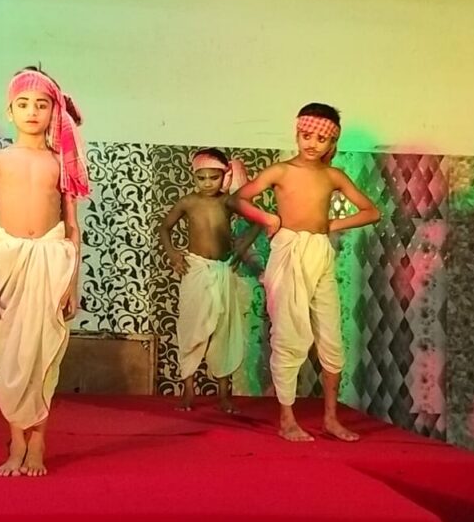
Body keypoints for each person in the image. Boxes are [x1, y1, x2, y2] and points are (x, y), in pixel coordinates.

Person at [230, 103, 380, 442]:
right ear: (297, 134)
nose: (312, 143)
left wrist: (331, 224)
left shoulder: (333, 176)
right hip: (289, 250)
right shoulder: (281, 171)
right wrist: (268, 219)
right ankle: (287, 420)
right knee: (289, 333)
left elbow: (372, 211)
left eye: (321, 138)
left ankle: (331, 418)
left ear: (332, 142)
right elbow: (237, 199)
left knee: (331, 337)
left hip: (319, 252)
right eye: (307, 135)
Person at [0, 67, 89, 476]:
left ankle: (37, 441)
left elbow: (72, 227)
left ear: (53, 111)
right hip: (9, 262)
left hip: (51, 263)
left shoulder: (61, 162)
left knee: (42, 358)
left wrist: (72, 282)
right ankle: (16, 442)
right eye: (23, 104)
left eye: (41, 104)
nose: (32, 111)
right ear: (10, 111)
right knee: (11, 358)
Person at [158, 148, 256, 413]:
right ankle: (188, 391)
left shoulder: (228, 202)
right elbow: (164, 228)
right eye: (201, 178)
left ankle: (224, 395)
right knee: (191, 328)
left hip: (222, 270)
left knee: (223, 329)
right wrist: (172, 254)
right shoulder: (188, 202)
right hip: (196, 269)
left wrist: (242, 248)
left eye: (214, 178)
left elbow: (259, 220)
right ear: (194, 177)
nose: (207, 183)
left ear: (223, 177)